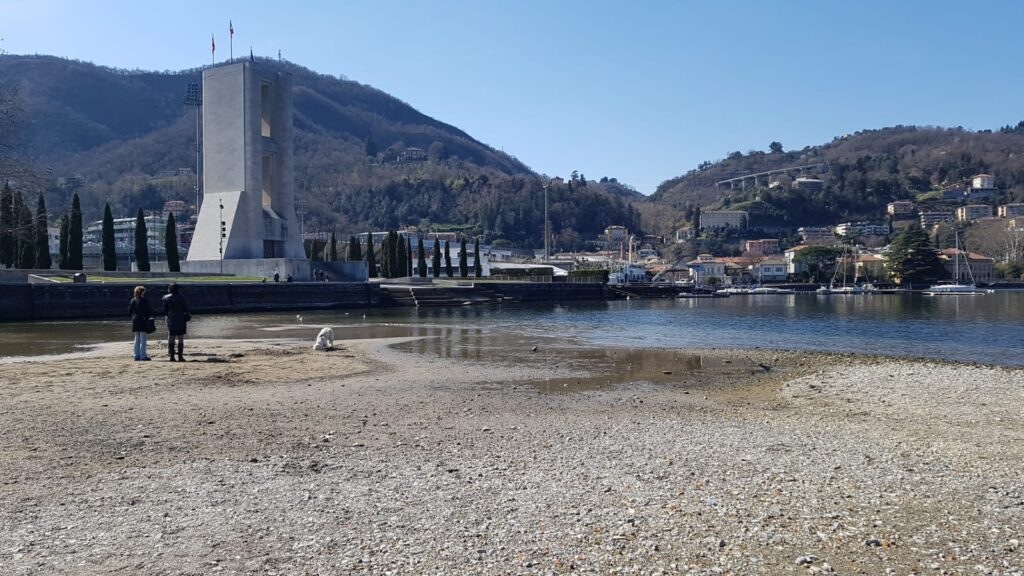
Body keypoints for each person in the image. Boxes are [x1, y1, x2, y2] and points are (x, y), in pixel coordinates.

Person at [162, 282, 191, 362]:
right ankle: (180, 357)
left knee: (171, 337)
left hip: (171, 319)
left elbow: (165, 310)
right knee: (180, 338)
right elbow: (185, 308)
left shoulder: (166, 298)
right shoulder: (181, 297)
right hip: (180, 318)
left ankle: (172, 356)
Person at [128, 285, 153, 361]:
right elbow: (149, 311)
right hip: (143, 320)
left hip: (135, 320)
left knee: (137, 338)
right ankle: (143, 355)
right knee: (143, 338)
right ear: (142, 292)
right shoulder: (144, 300)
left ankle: (136, 355)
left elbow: (130, 311)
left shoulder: (132, 300)